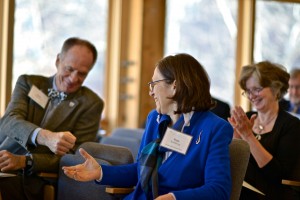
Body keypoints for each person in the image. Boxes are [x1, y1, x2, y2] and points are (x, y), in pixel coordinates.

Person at [63, 53, 233, 200]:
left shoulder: (214, 128)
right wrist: (101, 172)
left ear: (174, 86)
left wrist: (175, 198)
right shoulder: (155, 119)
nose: (151, 92)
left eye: (154, 84)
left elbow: (219, 190)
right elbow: (141, 169)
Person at [0, 37, 104, 200]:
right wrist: (44, 137)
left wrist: (24, 161)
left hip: (33, 176)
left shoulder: (91, 104)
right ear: (57, 61)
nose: (73, 79)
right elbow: (8, 121)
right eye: (69, 69)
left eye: (82, 74)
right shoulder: (29, 83)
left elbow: (75, 156)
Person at [228, 61, 300, 199]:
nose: (252, 96)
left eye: (257, 89)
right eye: (248, 91)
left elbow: (277, 176)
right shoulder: (246, 118)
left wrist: (248, 136)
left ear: (275, 89)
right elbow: (233, 164)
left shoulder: (292, 126)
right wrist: (236, 136)